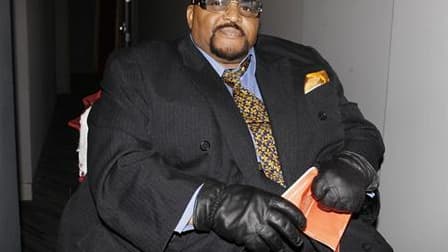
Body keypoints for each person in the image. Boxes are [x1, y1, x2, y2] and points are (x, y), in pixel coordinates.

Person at [58, 0, 393, 251]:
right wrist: (212, 204)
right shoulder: (139, 69)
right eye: (217, 2)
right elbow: (119, 168)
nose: (233, 15)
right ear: (191, 14)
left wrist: (356, 163)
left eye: (246, 5)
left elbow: (357, 129)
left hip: (313, 234)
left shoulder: (303, 62)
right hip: (200, 240)